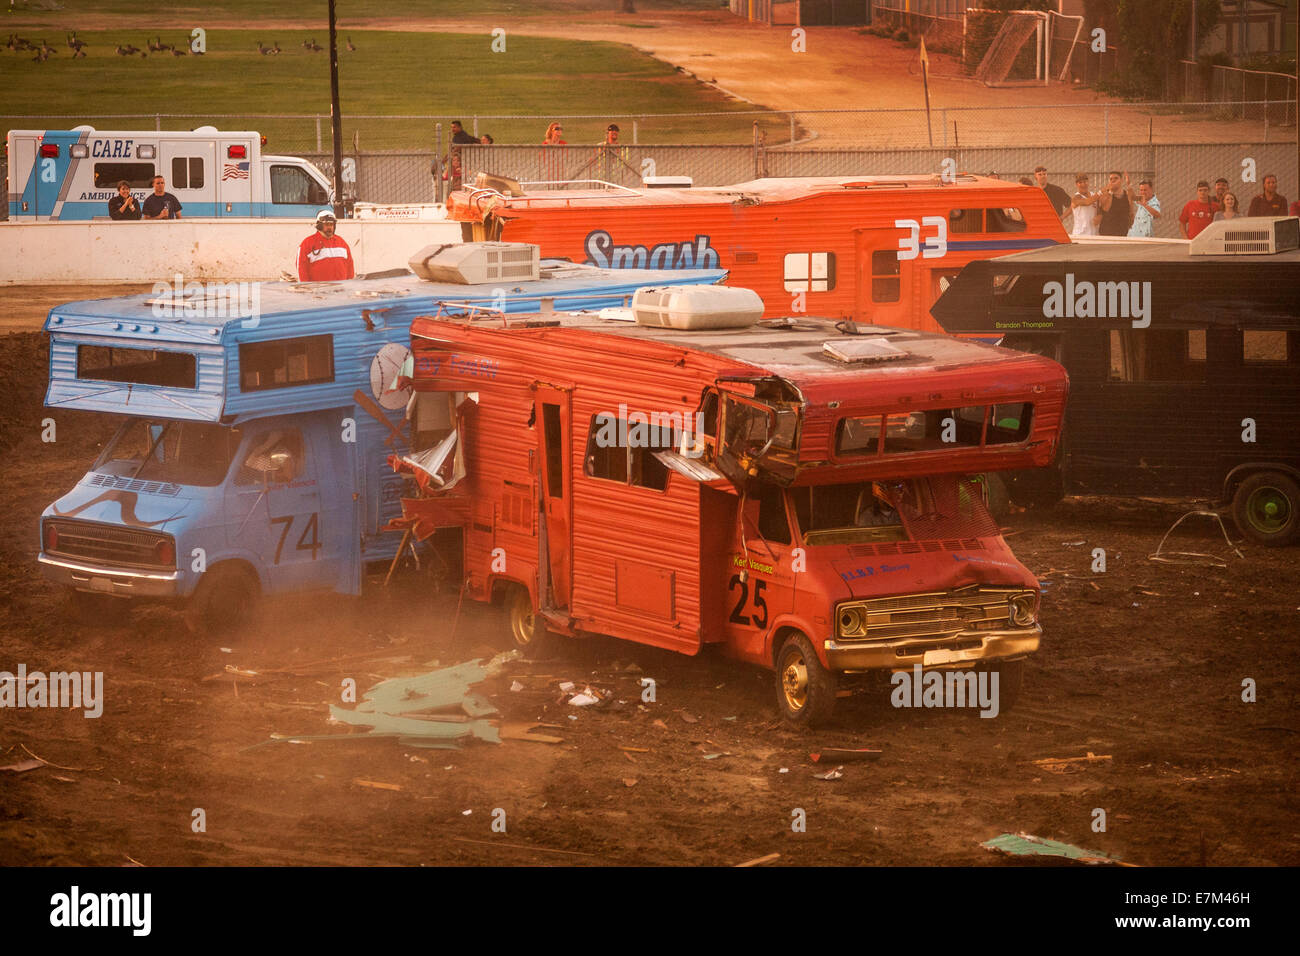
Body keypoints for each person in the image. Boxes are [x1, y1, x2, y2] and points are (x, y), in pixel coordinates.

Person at [297, 209, 354, 282]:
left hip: (341, 290)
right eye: (326, 224)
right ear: (319, 225)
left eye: (331, 224)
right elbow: (301, 268)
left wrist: (349, 284)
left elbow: (350, 266)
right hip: (318, 290)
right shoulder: (307, 243)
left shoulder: (342, 243)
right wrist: (306, 287)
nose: (330, 227)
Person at [1097, 170, 1133, 237]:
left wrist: (1129, 185)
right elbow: (1106, 209)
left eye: (1116, 178)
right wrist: (1111, 191)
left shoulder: (1126, 195)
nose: (1113, 180)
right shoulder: (1105, 194)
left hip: (1122, 233)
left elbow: (1130, 212)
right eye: (1111, 179)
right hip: (1106, 233)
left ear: (1121, 180)